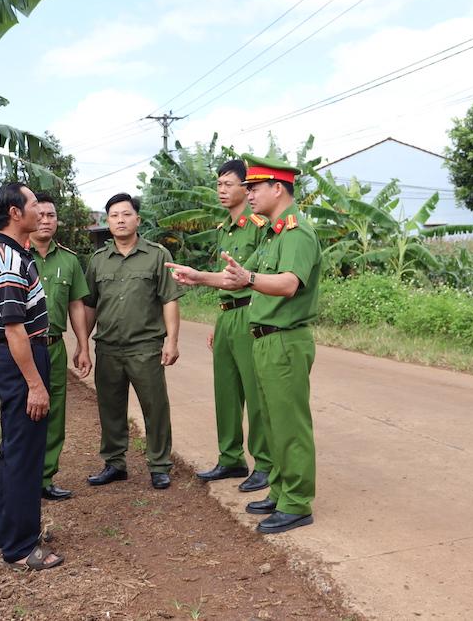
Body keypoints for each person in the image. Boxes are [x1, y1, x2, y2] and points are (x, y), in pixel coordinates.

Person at [165, 154, 321, 534]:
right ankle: (282, 492)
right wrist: (199, 277)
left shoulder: (297, 233)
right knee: (271, 420)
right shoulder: (272, 234)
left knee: (290, 425)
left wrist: (249, 277)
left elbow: (286, 284)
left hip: (285, 340)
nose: (248, 194)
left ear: (277, 188)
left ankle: (298, 502)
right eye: (246, 188)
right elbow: (236, 279)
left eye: (254, 187)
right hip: (264, 338)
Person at [0, 182, 63, 570]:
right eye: (33, 205)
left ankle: (11, 533)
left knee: (16, 451)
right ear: (15, 213)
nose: (39, 210)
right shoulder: (10, 260)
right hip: (22, 360)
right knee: (24, 455)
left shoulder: (9, 251)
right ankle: (20, 548)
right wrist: (34, 383)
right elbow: (14, 329)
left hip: (15, 359)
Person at [83, 193, 186, 490]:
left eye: (126, 214)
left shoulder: (157, 255)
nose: (120, 220)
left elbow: (169, 299)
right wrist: (82, 345)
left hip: (145, 347)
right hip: (108, 347)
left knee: (155, 407)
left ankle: (159, 465)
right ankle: (114, 464)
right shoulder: (98, 261)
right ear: (107, 221)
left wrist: (172, 342)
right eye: (114, 215)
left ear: (137, 220)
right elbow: (90, 305)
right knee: (110, 408)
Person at [195, 159, 273, 493]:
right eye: (219, 185)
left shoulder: (258, 226)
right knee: (225, 391)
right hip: (227, 314)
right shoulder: (222, 230)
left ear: (247, 187)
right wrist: (218, 319)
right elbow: (224, 285)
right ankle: (230, 458)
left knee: (254, 392)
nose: (222, 190)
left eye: (229, 184)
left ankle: (265, 464)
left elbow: (247, 278)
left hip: (250, 312)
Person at [29, 193, 93, 501]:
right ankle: (22, 478)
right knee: (23, 413)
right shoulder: (16, 255)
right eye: (39, 214)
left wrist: (83, 346)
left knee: (54, 415)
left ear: (58, 220)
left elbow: (76, 305)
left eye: (51, 215)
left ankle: (44, 478)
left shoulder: (69, 260)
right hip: (22, 348)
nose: (45, 220)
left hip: (54, 347)